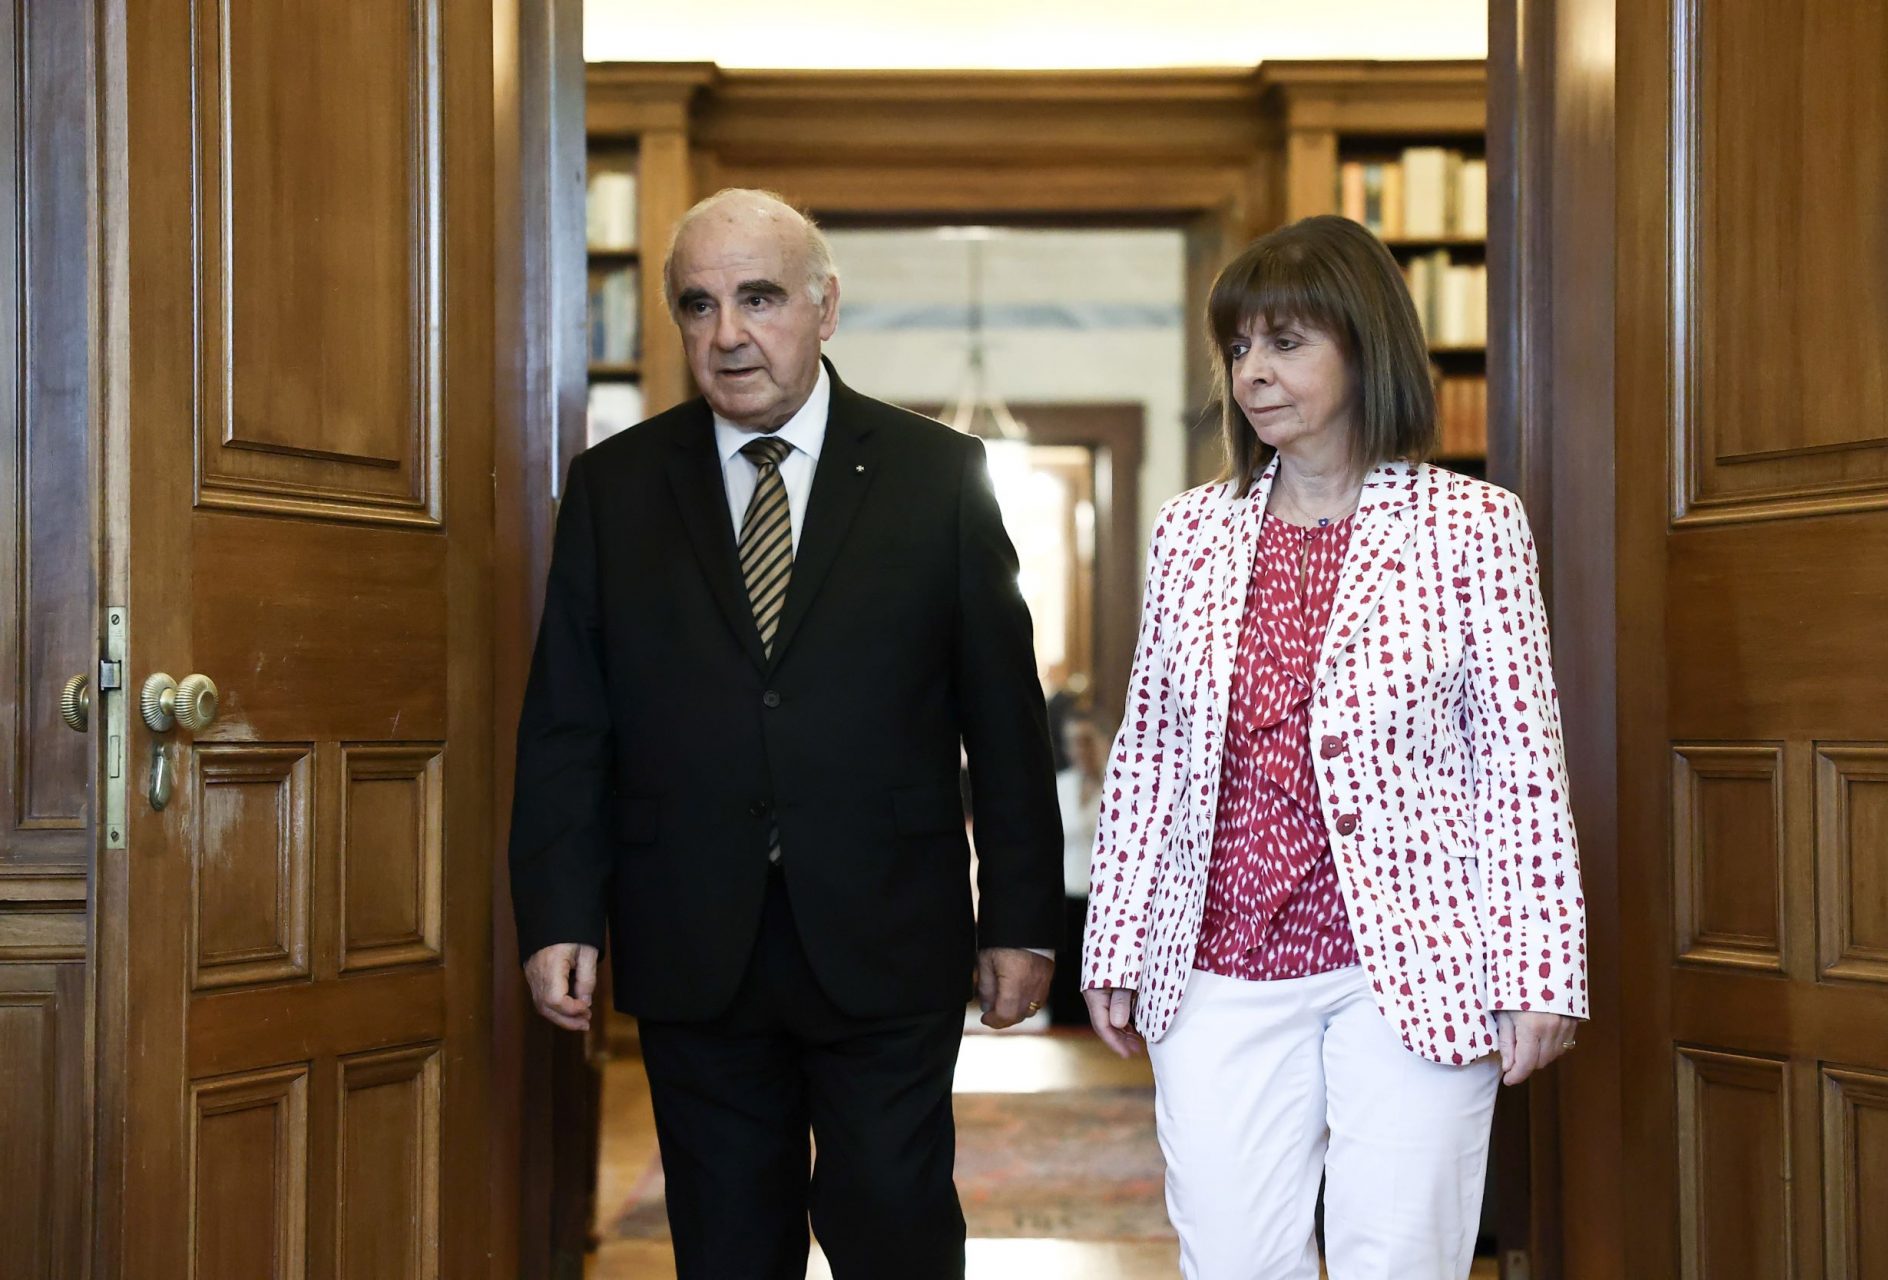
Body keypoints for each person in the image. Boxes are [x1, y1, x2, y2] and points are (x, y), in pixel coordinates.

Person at [509, 188, 1063, 1280]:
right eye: (699, 304)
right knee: (726, 1246)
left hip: (888, 928)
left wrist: (1023, 921)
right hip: (691, 933)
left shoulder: (938, 476)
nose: (728, 334)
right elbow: (570, 718)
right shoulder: (615, 488)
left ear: (826, 307)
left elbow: (1005, 721)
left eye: (758, 298)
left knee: (895, 1229)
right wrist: (560, 910)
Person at [1081, 215, 1588, 1280]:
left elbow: (1520, 762)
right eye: (1239, 348)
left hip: (1409, 959)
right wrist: (1115, 939)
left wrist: (1541, 967)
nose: (1252, 374)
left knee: (1398, 1258)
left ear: (1365, 348)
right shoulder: (1190, 531)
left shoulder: (1473, 526)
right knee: (1231, 1260)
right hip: (1216, 959)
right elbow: (1151, 750)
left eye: (1285, 342)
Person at [1048, 708, 1107, 1026]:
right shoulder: (1060, 785)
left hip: (1103, 902)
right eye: (1073, 742)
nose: (1080, 749)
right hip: (1065, 896)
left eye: (1086, 740)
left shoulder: (1117, 785)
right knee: (1064, 980)